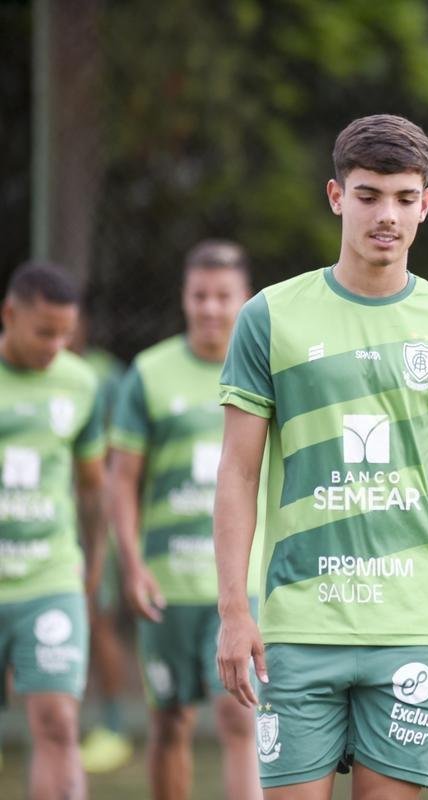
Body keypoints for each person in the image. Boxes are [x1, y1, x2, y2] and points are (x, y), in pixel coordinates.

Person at [214, 114, 428, 799]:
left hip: (409, 626)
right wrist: (235, 611)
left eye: (405, 198)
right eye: (370, 194)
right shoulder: (269, 316)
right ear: (336, 195)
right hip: (299, 623)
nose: (387, 215)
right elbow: (237, 474)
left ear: (426, 205)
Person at [109, 240, 261, 799]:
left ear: (245, 299)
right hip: (169, 583)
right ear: (184, 298)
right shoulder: (149, 373)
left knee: (241, 717)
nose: (211, 308)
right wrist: (131, 564)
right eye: (200, 295)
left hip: (242, 586)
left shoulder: (265, 370)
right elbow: (120, 479)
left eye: (224, 296)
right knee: (171, 722)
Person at [0, 261, 106, 799]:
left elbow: (91, 484)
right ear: (9, 315)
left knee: (58, 724)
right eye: (44, 332)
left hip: (48, 579)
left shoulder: (81, 383)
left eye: (66, 333)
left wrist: (96, 557)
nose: (56, 346)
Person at [71, 311, 136, 774]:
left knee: (98, 620)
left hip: (91, 518)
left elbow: (118, 452)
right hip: (27, 519)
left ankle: (112, 726)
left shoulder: (105, 376)